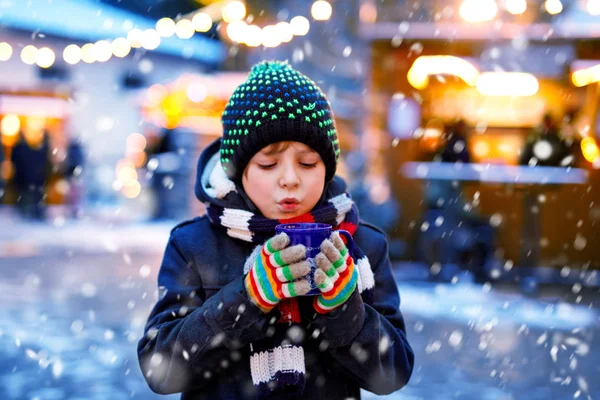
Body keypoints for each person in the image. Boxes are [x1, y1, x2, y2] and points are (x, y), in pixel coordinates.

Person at [138, 61, 414, 399]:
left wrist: (344, 309)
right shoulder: (194, 245)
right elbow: (161, 370)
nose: (290, 178)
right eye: (268, 163)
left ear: (327, 168)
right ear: (238, 171)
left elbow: (393, 372)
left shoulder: (362, 244)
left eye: (308, 162)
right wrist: (248, 298)